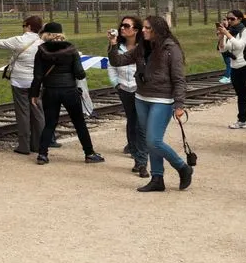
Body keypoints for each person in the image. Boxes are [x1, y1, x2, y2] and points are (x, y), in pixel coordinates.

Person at [107, 15, 193, 192]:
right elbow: (118, 61)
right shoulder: (142, 47)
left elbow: (179, 79)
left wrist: (179, 104)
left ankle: (182, 167)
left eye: (147, 28)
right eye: (143, 28)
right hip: (141, 98)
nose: (143, 31)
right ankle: (157, 178)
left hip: (162, 99)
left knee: (153, 140)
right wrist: (113, 44)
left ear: (157, 30)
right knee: (150, 140)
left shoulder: (171, 48)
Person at [29, 22, 104, 165]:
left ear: (46, 34)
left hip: (50, 91)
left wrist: (34, 94)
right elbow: (80, 74)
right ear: (61, 33)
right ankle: (89, 153)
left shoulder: (41, 50)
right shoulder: (71, 49)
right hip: (69, 91)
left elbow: (37, 75)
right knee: (79, 123)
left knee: (50, 123)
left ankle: (42, 155)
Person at [0, 16, 47, 154]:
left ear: (28, 26)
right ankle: (39, 145)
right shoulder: (42, 43)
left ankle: (24, 146)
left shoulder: (19, 40)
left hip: (19, 81)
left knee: (23, 113)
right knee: (38, 113)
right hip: (36, 82)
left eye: (23, 25)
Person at [109, 16, 148, 177]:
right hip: (124, 87)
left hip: (140, 88)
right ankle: (134, 151)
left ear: (136, 30)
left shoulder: (144, 46)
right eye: (121, 26)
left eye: (126, 26)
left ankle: (141, 161)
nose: (122, 29)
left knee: (140, 124)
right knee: (131, 120)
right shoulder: (117, 46)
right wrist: (116, 83)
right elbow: (111, 64)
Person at [219, 10, 246, 132]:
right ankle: (242, 119)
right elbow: (223, 50)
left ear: (239, 19)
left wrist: (227, 35)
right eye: (227, 19)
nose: (229, 21)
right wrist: (221, 36)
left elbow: (240, 46)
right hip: (235, 67)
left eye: (232, 19)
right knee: (240, 95)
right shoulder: (231, 32)